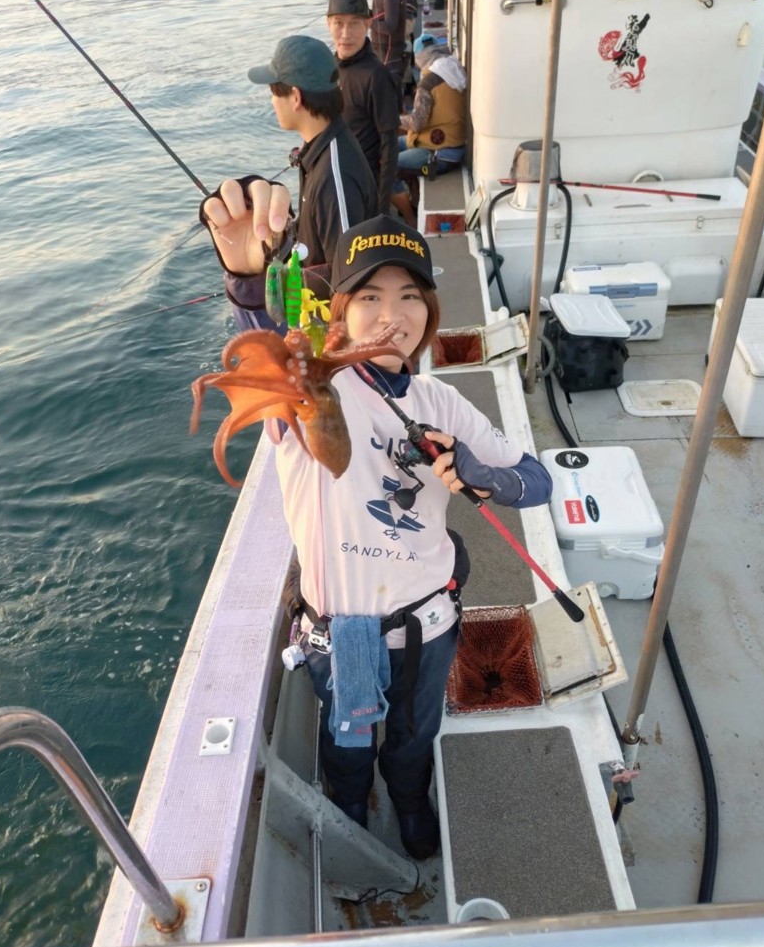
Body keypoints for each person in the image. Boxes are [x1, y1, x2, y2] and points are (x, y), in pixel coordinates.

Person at [200, 187, 553, 859]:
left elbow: (536, 482)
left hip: (429, 624)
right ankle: (349, 811)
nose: (392, 315)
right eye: (369, 297)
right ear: (340, 313)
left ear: (430, 311)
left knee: (416, 736)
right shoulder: (308, 393)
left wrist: (478, 471)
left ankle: (411, 798)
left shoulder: (442, 402)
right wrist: (247, 282)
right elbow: (274, 349)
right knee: (348, 740)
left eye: (410, 296)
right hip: (342, 636)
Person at [204, 35, 378, 332]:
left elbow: (352, 280)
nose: (272, 101)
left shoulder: (334, 172)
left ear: (295, 97)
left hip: (328, 332)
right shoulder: (323, 150)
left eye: (274, 92)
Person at [326, 0, 400, 215]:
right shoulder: (326, 69)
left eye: (354, 23)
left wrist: (382, 208)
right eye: (338, 23)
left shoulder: (377, 76)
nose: (345, 34)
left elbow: (389, 146)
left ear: (368, 24)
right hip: (331, 183)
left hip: (363, 190)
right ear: (328, 24)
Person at [392, 34, 467, 226]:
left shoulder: (428, 83)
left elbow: (417, 123)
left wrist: (392, 120)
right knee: (393, 144)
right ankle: (414, 197)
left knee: (388, 166)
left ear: (419, 58)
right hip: (456, 142)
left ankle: (410, 218)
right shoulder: (454, 68)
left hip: (440, 154)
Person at [364, 0, 407, 98]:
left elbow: (390, 26)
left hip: (390, 57)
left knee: (389, 98)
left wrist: (369, 22)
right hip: (382, 54)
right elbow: (380, 15)